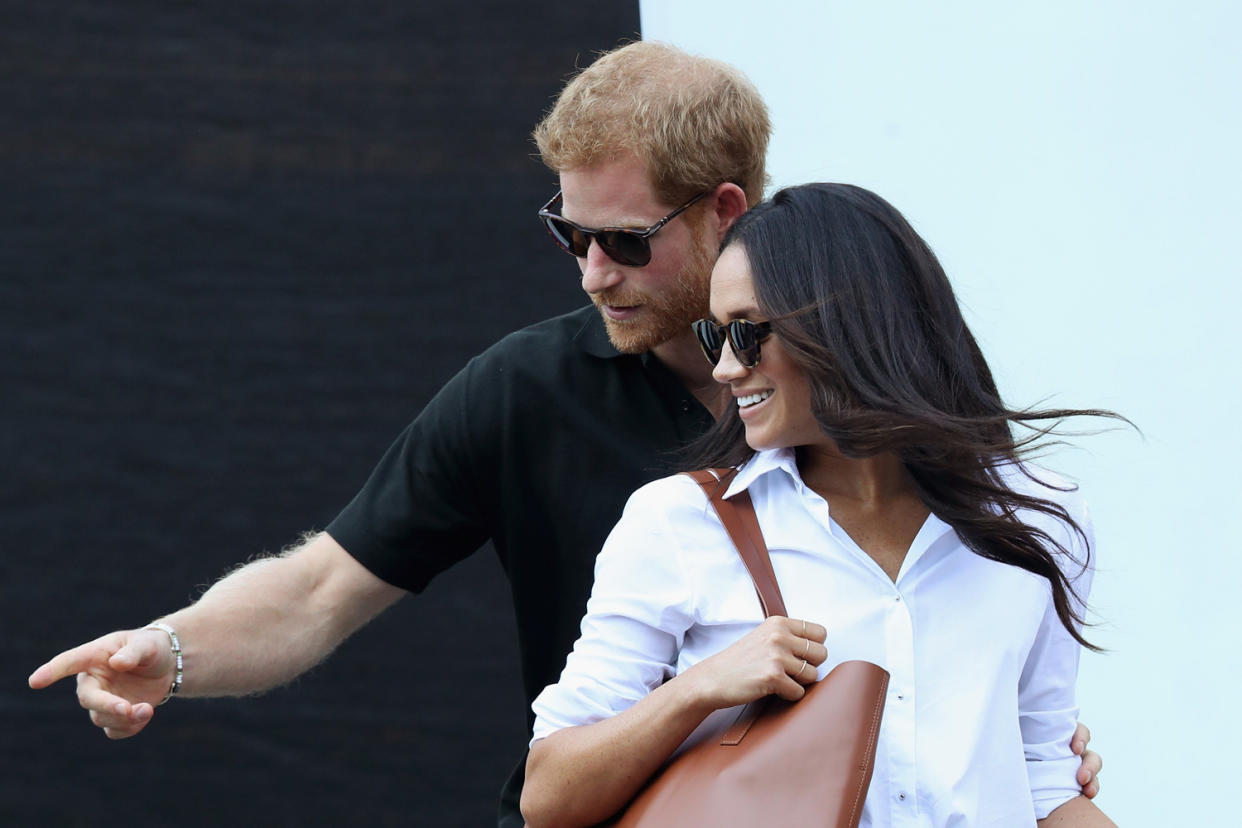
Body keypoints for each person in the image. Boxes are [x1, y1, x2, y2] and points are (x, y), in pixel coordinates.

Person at [25, 44, 1102, 826]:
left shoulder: (898, 421)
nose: (592, 273)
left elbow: (1014, 725)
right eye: (568, 234)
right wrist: (170, 652)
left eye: (624, 243)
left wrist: (1001, 757)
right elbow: (320, 589)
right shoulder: (529, 391)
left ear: (725, 209)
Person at [521, 183, 1118, 827]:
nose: (724, 367)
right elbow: (549, 794)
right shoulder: (678, 523)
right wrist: (696, 691)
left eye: (745, 333)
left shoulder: (1035, 518)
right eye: (713, 335)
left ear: (846, 323)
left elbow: (1045, 782)